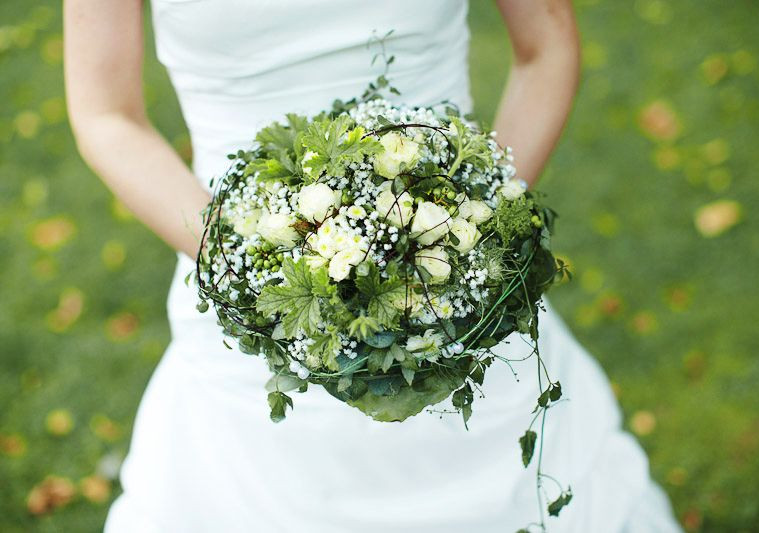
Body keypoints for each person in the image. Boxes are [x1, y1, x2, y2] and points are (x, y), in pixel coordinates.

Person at [64, 1, 682, 531]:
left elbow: (545, 44)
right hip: (239, 265)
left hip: (451, 273)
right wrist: (244, 267)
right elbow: (106, 114)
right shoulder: (241, 267)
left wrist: (476, 231)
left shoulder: (466, 249)